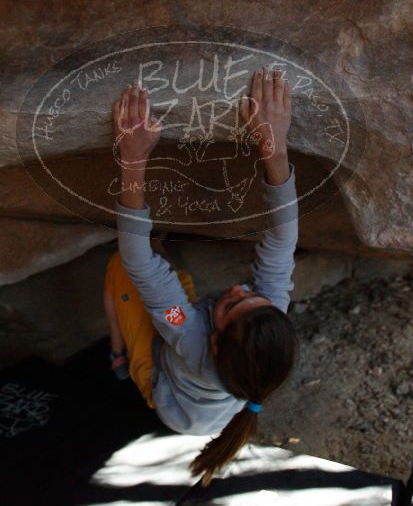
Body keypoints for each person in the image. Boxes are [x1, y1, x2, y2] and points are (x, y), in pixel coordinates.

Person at [103, 67, 299, 486]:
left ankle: (120, 355)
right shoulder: (262, 326)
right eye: (253, 295)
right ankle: (168, 274)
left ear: (212, 341)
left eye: (232, 303)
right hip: (209, 393)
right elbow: (282, 243)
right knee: (169, 283)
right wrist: (274, 146)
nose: (240, 288)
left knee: (122, 272)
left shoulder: (190, 339)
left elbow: (135, 258)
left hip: (167, 394)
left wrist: (133, 158)